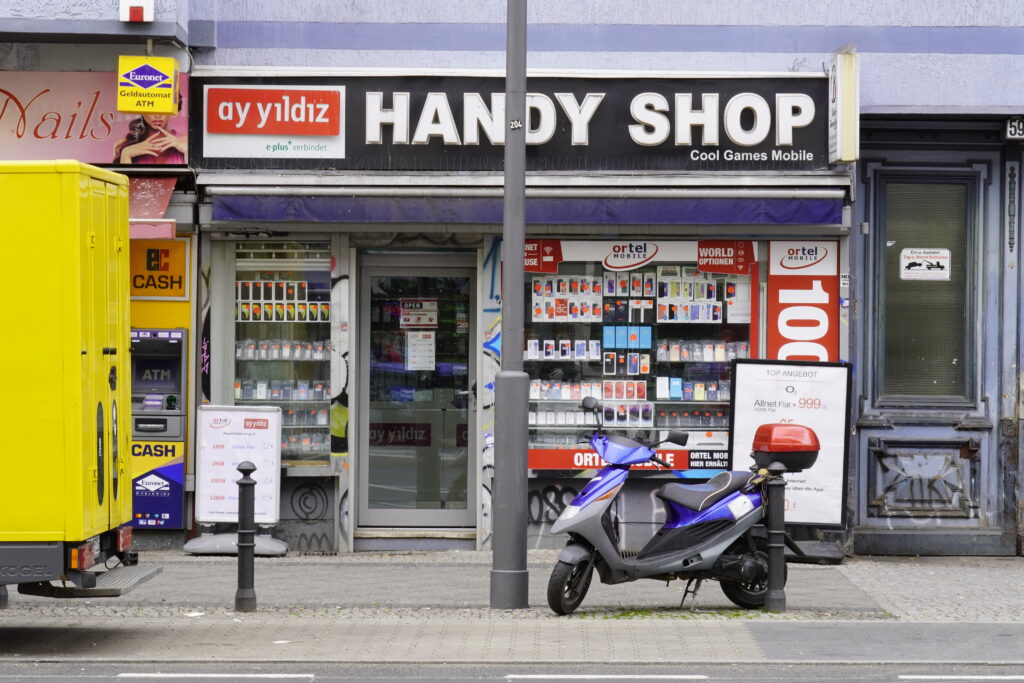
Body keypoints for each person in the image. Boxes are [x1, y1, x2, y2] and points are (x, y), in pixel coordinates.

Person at [112, 111, 187, 164]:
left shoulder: (186, 141)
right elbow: (123, 182)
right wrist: (126, 154)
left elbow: (191, 179)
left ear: (174, 110)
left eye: (163, 107)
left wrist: (188, 152)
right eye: (151, 107)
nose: (157, 115)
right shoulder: (123, 144)